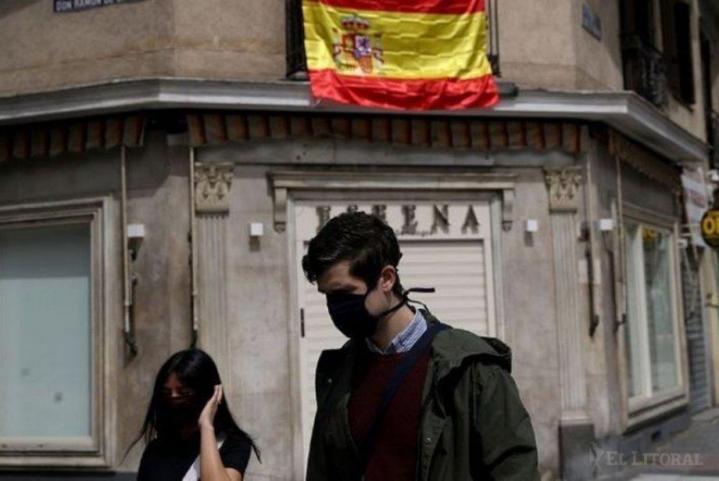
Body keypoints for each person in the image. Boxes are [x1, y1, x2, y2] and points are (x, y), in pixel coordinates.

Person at [301, 211, 539, 481]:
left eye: (345, 293)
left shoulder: (473, 370)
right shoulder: (338, 373)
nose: (335, 307)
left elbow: (515, 470)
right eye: (328, 296)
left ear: (387, 278)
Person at [128, 348, 260, 481]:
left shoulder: (233, 444)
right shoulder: (157, 449)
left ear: (208, 394)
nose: (174, 399)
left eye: (184, 393)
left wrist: (206, 425)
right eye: (167, 393)